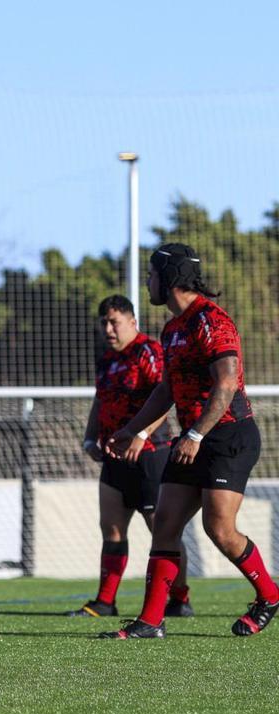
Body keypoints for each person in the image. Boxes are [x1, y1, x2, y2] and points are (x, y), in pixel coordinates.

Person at [103, 243, 277, 639]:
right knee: (165, 524)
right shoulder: (173, 327)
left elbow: (227, 383)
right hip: (193, 439)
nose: (148, 282)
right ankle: (150, 621)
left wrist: (196, 434)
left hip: (228, 435)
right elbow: (166, 390)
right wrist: (132, 429)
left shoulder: (210, 321)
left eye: (151, 275)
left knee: (220, 530)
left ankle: (269, 595)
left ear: (169, 278)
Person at [69, 294, 192, 618]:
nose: (109, 329)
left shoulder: (148, 351)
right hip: (114, 457)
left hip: (151, 456)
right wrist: (88, 438)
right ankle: (105, 602)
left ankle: (180, 598)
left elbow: (164, 398)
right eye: (104, 323)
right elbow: (100, 400)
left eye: (115, 322)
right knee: (111, 527)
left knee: (163, 532)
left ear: (132, 322)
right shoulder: (107, 358)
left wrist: (142, 434)